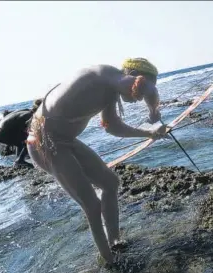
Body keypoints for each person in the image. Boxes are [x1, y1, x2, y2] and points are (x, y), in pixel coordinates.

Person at [26, 58, 168, 265]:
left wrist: (149, 133)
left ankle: (116, 241)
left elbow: (112, 127)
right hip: (45, 143)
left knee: (111, 183)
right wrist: (154, 113)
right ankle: (110, 263)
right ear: (134, 73)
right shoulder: (105, 74)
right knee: (92, 205)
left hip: (66, 141)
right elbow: (147, 88)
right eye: (146, 81)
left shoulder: (110, 90)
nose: (138, 98)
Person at [0, 99, 43, 168]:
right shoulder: (30, 116)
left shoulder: (26, 110)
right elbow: (32, 132)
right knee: (29, 139)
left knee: (20, 141)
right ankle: (19, 161)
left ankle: (18, 160)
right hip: (2, 134)